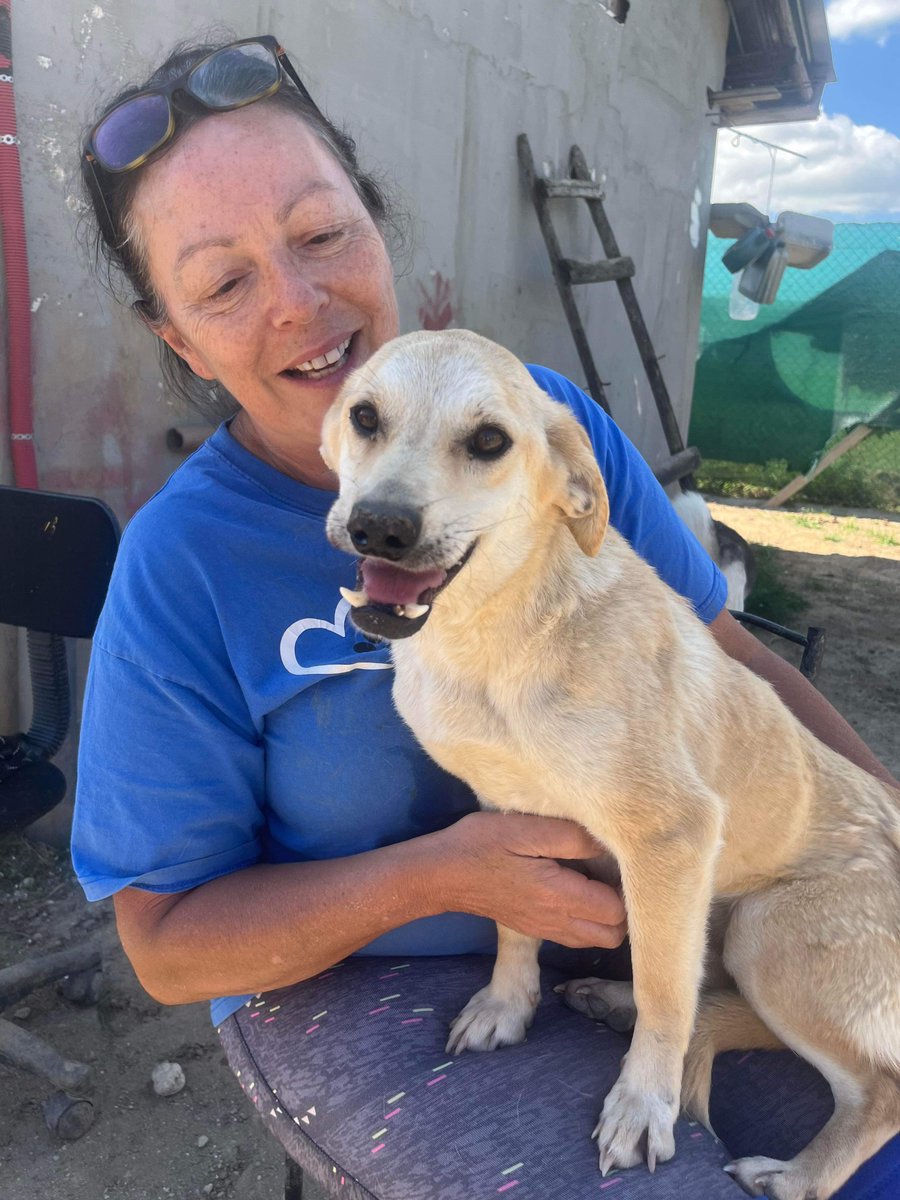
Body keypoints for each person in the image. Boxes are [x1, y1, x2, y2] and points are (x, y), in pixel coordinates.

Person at [72, 35, 899, 1199]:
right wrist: (448, 876)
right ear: (177, 335)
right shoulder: (180, 563)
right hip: (366, 977)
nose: (299, 303)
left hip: (672, 917)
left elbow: (723, 654)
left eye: (322, 234)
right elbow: (165, 948)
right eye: (223, 283)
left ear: (377, 225)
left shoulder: (541, 418)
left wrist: (890, 834)